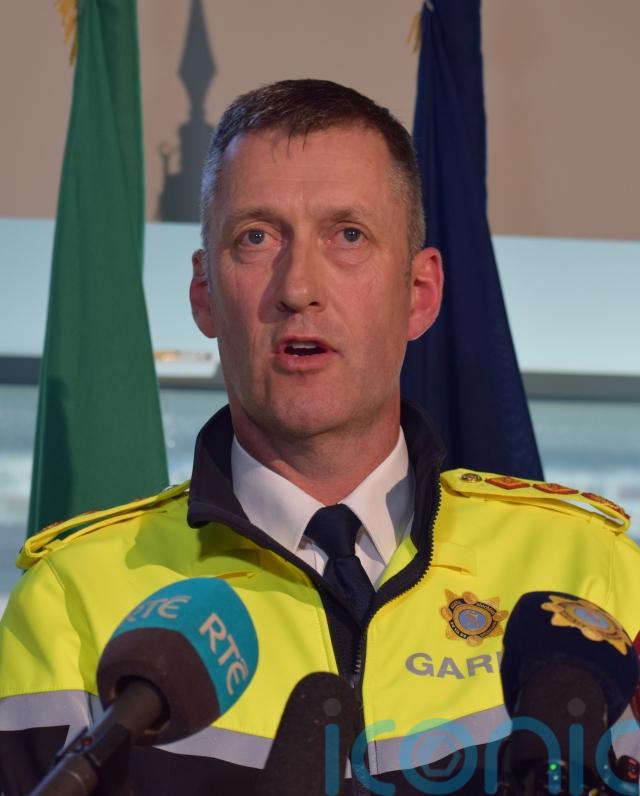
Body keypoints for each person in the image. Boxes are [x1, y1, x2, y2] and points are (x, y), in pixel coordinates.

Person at [1, 79, 639, 795]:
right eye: (256, 237)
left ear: (419, 294)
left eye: (348, 235)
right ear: (204, 293)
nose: (298, 286)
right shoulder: (75, 602)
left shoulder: (592, 573)